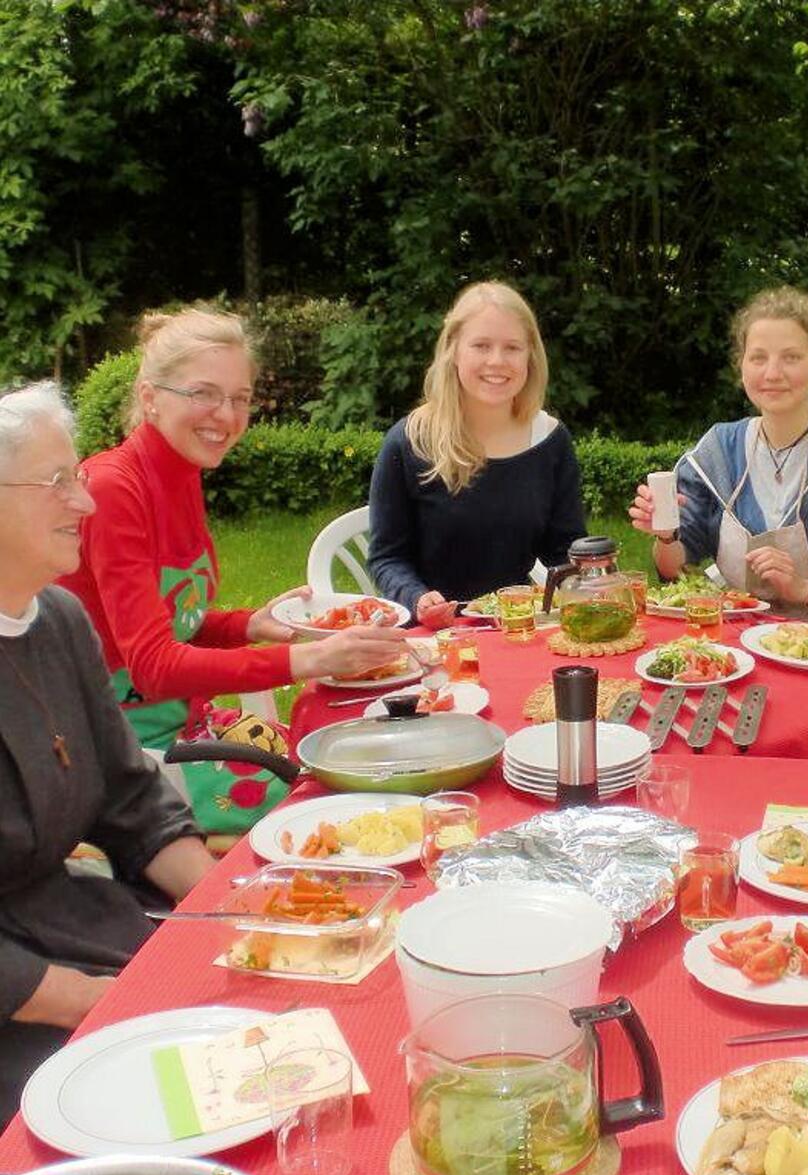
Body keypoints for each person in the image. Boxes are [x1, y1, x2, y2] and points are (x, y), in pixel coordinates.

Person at [60, 308, 409, 834]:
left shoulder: (181, 473)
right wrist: (308, 658)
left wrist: (248, 625)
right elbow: (152, 666)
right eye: (203, 393)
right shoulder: (115, 489)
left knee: (351, 751)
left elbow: (169, 621)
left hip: (184, 725)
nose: (225, 414)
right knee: (333, 804)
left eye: (240, 398)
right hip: (124, 756)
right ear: (150, 396)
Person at [0, 382, 216, 1123]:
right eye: (58, 482)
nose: (85, 504)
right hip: (18, 1004)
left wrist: (223, 912)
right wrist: (103, 1002)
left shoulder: (56, 620)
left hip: (74, 924)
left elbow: (131, 797)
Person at [628, 286, 808, 606]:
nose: (773, 373)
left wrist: (804, 588)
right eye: (758, 358)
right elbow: (675, 569)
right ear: (742, 366)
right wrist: (666, 534)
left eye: (791, 357)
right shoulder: (718, 451)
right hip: (737, 642)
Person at [367, 281, 586, 626]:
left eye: (512, 347)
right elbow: (387, 557)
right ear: (453, 351)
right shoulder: (409, 441)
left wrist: (593, 580)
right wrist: (418, 598)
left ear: (531, 355)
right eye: (481, 345)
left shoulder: (550, 440)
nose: (496, 361)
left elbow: (566, 551)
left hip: (518, 627)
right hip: (432, 635)